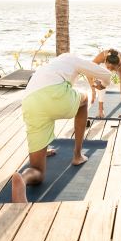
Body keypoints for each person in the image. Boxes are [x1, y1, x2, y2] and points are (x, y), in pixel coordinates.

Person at [9, 52, 111, 203]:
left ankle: (23, 179)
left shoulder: (48, 67)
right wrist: (103, 84)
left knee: (38, 172)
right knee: (84, 98)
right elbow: (106, 74)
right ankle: (77, 155)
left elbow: (44, 92)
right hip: (54, 96)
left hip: (30, 103)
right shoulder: (73, 58)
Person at [91, 48, 121, 119]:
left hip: (120, 66)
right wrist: (93, 88)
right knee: (101, 80)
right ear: (106, 61)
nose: (110, 70)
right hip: (107, 61)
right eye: (108, 67)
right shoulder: (102, 57)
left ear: (117, 66)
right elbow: (90, 67)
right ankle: (101, 110)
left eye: (113, 69)